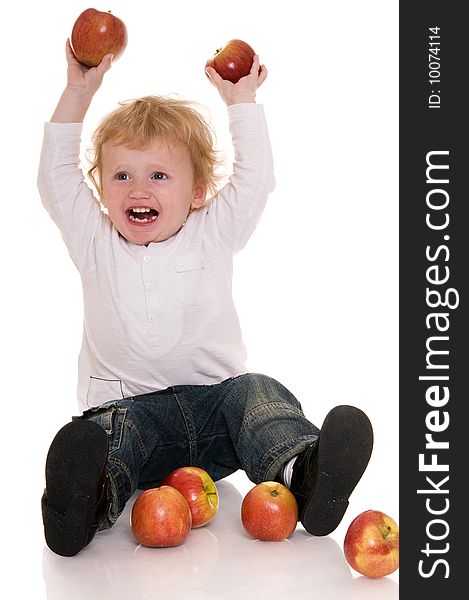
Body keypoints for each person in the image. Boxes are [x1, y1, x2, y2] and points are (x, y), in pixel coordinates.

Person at [38, 40, 373, 557]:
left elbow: (254, 180)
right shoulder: (94, 239)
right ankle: (83, 504)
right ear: (100, 188)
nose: (137, 189)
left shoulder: (211, 230)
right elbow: (56, 176)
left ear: (198, 192)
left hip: (218, 412)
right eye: (121, 175)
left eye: (159, 175)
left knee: (258, 397)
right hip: (134, 411)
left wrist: (242, 103)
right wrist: (77, 93)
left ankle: (305, 474)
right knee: (110, 437)